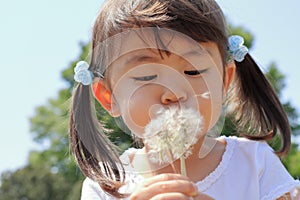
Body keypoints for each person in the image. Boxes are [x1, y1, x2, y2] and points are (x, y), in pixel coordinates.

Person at [69, 0, 300, 199]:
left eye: (194, 72)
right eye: (146, 76)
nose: (174, 92)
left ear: (223, 81)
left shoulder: (253, 164)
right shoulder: (106, 188)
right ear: (109, 97)